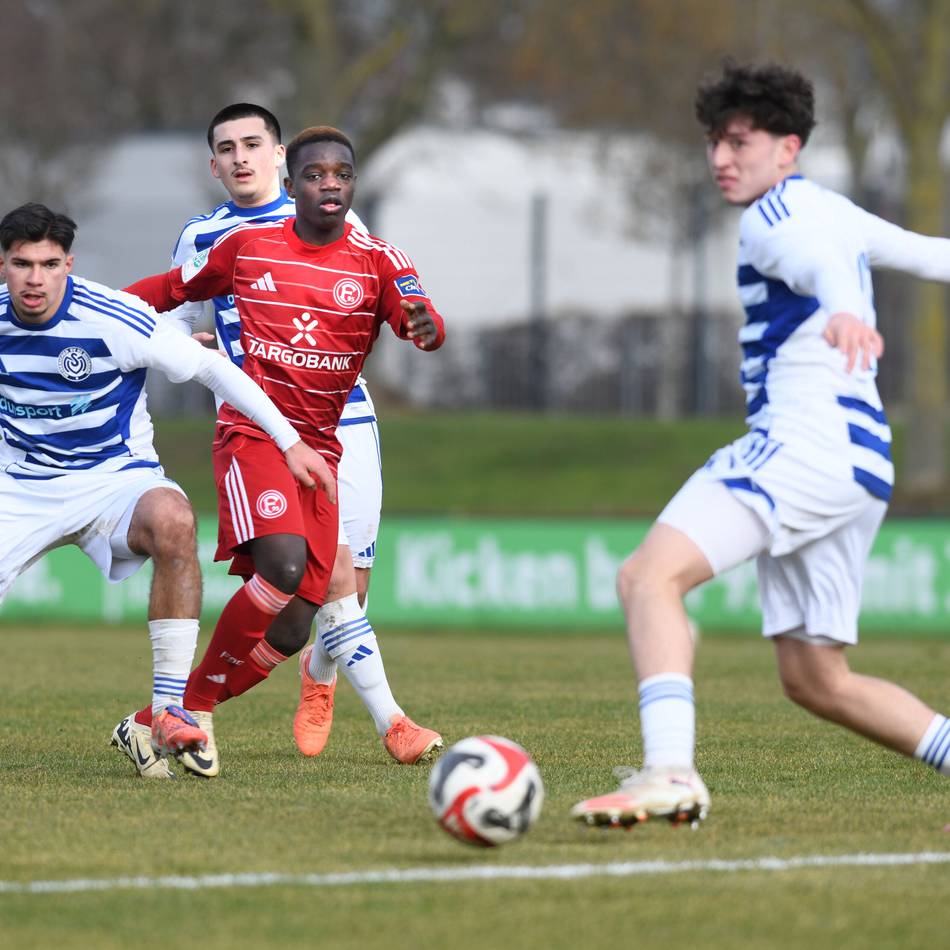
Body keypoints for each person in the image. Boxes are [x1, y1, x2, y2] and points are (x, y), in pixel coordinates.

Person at [572, 61, 950, 828]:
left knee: (648, 580)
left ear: (790, 147)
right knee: (817, 679)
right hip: (861, 464)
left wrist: (845, 308)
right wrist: (845, 299)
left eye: (739, 142)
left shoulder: (775, 217)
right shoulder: (831, 210)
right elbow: (926, 253)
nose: (721, 159)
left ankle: (669, 774)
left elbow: (821, 265)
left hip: (805, 444)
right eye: (715, 142)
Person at [122, 124, 446, 779]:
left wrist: (424, 325)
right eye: (316, 174)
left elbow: (426, 322)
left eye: (341, 175)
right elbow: (169, 291)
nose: (329, 183)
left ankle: (167, 714)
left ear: (352, 187)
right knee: (288, 564)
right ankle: (393, 722)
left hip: (328, 445)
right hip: (255, 433)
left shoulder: (378, 257)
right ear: (290, 183)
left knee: (305, 620)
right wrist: (85, 312)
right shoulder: (241, 245)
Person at [0, 202, 333, 776]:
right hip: (21, 488)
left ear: (68, 264)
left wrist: (288, 442)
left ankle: (168, 710)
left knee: (174, 520)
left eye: (49, 264)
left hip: (114, 480)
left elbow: (217, 372)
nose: (35, 279)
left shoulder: (113, 316)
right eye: (21, 264)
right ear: (3, 265)